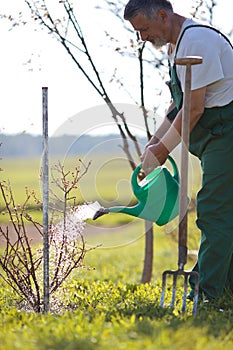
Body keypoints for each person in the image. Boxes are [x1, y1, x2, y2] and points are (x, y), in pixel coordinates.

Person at [124, 0, 233, 302]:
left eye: (144, 29)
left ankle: (206, 293)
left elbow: (195, 109)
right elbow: (178, 105)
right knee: (225, 211)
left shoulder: (198, 40)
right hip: (216, 137)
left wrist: (161, 151)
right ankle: (226, 288)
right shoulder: (176, 46)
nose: (142, 37)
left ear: (162, 15)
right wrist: (153, 143)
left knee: (213, 210)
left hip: (227, 134)